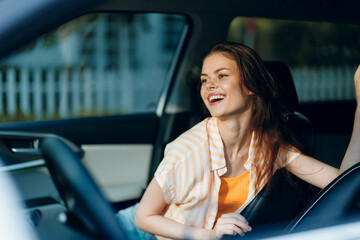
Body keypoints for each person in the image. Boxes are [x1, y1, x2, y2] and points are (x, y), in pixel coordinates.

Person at [121, 41, 360, 240]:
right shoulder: (188, 150)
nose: (209, 85)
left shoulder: (268, 145)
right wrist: (209, 235)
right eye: (204, 80)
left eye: (221, 75)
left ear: (252, 86)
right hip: (140, 230)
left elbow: (343, 183)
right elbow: (145, 216)